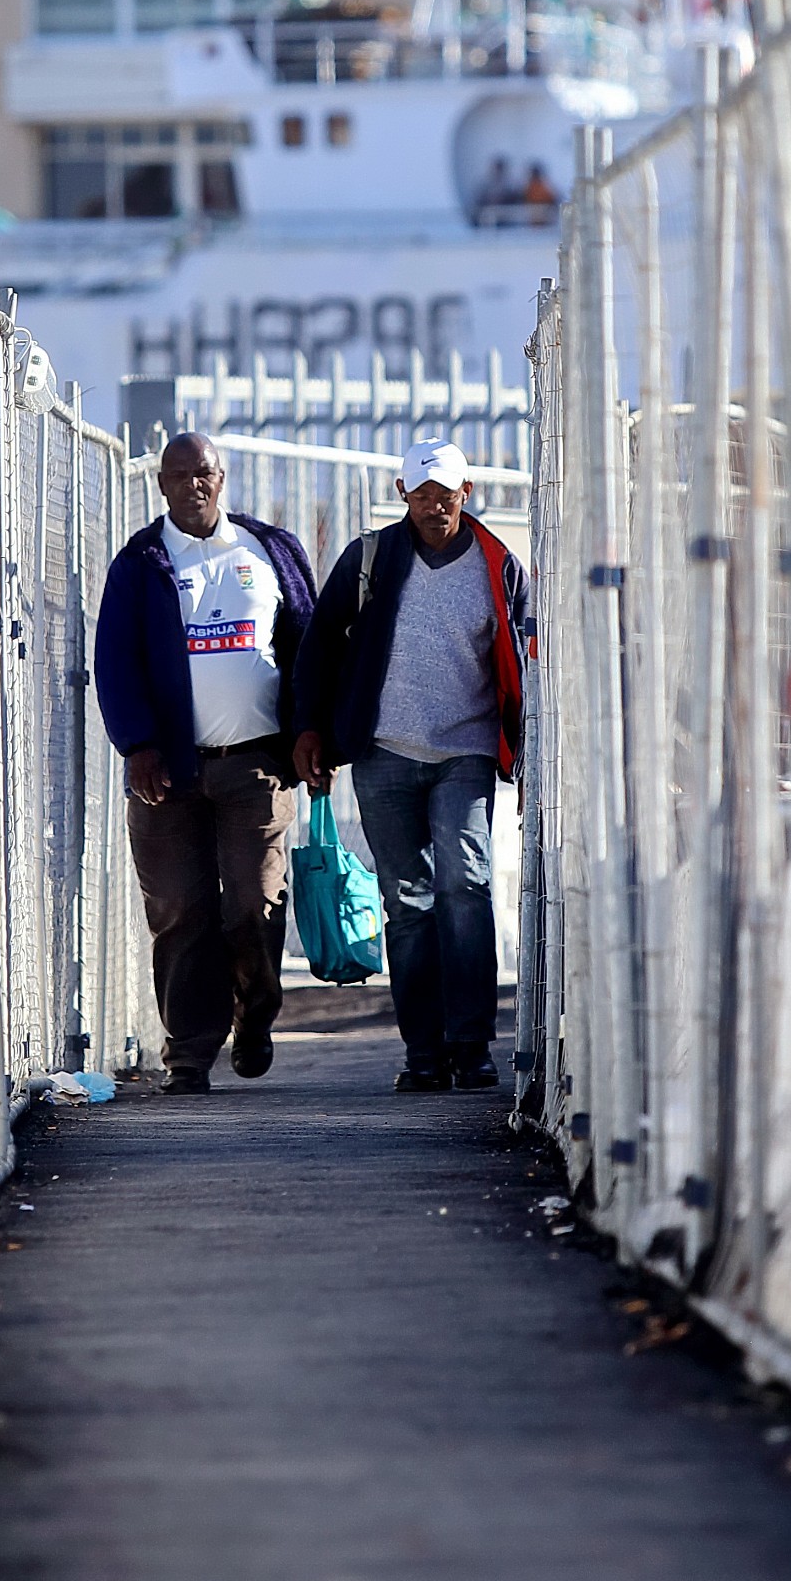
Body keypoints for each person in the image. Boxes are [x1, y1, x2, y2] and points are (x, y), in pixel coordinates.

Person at [292, 440, 529, 1094]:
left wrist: (527, 747)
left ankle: (472, 1045)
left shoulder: (497, 565)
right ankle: (424, 1053)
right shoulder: (370, 558)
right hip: (384, 752)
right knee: (408, 901)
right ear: (402, 493)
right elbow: (318, 646)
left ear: (467, 493)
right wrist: (311, 729)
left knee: (467, 883)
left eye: (444, 494)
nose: (433, 506)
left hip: (466, 750)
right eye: (421, 494)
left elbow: (526, 658)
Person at [95, 433, 315, 1094]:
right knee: (180, 913)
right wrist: (137, 745)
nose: (196, 484)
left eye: (208, 472)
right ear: (161, 485)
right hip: (168, 775)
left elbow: (308, 644)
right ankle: (189, 1055)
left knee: (252, 904)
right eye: (182, 474)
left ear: (224, 479)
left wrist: (311, 733)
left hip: (255, 766)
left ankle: (254, 1018)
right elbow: (115, 662)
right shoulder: (141, 562)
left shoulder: (268, 549)